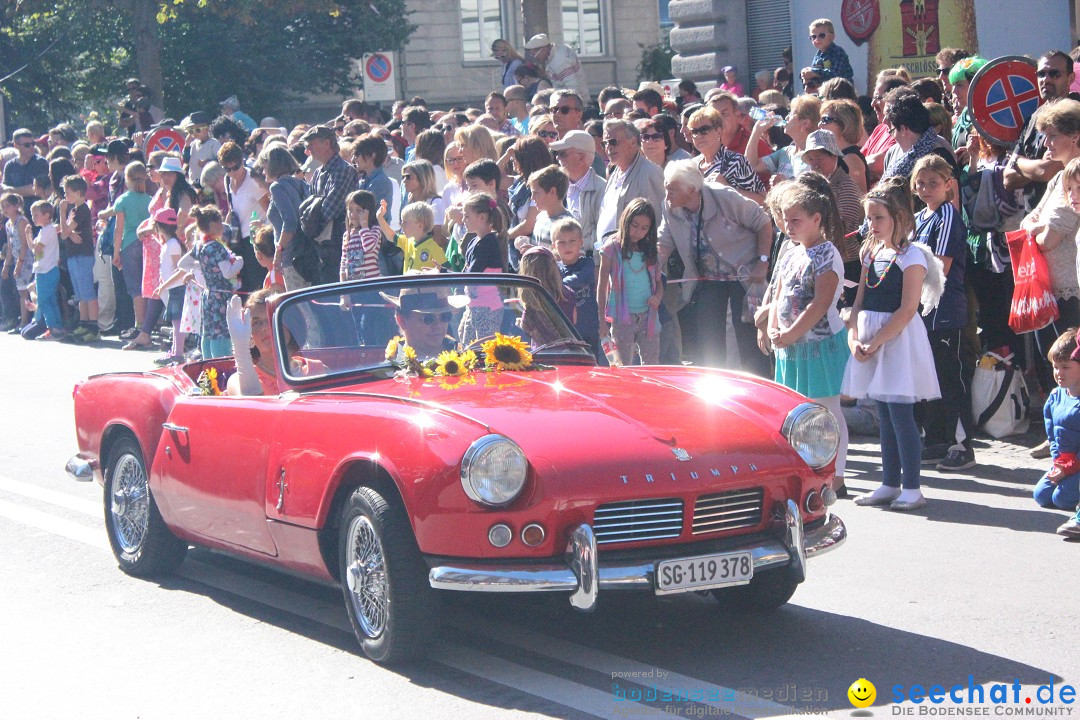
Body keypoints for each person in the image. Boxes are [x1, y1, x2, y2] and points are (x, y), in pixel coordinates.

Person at [843, 180, 942, 511]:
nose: (872, 225)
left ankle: (912, 486)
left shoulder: (912, 256)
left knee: (901, 414)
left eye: (879, 218)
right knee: (884, 413)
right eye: (869, 218)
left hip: (896, 341)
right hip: (870, 338)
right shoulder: (870, 253)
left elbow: (907, 308)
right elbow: (857, 301)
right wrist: (854, 337)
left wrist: (877, 341)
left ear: (899, 217)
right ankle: (889, 482)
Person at [764, 179, 850, 495]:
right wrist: (774, 327)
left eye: (796, 220)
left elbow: (820, 303)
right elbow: (780, 291)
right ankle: (802, 470)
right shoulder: (790, 250)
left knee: (827, 411)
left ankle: (836, 475)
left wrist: (790, 333)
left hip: (819, 347)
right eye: (786, 219)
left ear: (817, 219)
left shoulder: (827, 255)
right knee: (795, 413)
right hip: (791, 347)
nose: (789, 226)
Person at [658, 160, 772, 373]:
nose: (667, 196)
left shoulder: (724, 197)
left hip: (743, 278)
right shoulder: (670, 206)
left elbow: (763, 222)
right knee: (710, 344)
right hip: (707, 281)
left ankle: (757, 390)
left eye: (672, 190)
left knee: (748, 342)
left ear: (691, 190)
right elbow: (664, 241)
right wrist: (653, 268)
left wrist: (762, 262)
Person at [910, 155, 976, 471]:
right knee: (929, 378)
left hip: (945, 310)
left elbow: (940, 267)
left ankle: (962, 445)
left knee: (950, 379)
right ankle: (937, 439)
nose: (925, 189)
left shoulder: (947, 214)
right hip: (922, 312)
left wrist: (909, 280)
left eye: (933, 183)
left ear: (947, 185)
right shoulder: (920, 217)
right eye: (920, 183)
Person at [1021, 101, 1080, 390]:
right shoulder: (1059, 177)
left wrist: (1037, 229)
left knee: (1073, 367)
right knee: (1057, 367)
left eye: (1053, 135)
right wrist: (1037, 227)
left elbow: (1049, 239)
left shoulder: (1077, 178)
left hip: (1073, 293)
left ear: (1075, 137)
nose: (1046, 143)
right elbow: (1029, 219)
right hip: (1049, 291)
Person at [1005, 51, 1080, 214]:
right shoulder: (1034, 117)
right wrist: (1037, 166)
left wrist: (1017, 161)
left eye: (1054, 74)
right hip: (1033, 215)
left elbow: (1046, 172)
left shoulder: (1076, 112)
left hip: (1066, 215)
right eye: (1041, 74)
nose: (1046, 79)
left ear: (1071, 78)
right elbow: (1008, 179)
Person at [598, 198, 663, 365]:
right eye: (634, 225)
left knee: (651, 365)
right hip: (622, 318)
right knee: (622, 365)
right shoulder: (611, 248)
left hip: (648, 316)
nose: (638, 232)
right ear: (625, 220)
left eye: (644, 228)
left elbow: (659, 282)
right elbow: (602, 285)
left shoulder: (651, 251)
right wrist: (601, 321)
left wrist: (657, 297)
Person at [595, 120, 665, 253]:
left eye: (613, 141)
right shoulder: (615, 173)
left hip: (635, 262)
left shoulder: (649, 172)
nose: (609, 147)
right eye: (605, 143)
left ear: (633, 141)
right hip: (610, 259)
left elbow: (658, 222)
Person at [100, 161, 152, 338]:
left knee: (135, 288)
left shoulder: (123, 200)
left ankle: (139, 326)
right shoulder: (150, 200)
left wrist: (116, 254)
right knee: (146, 286)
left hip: (129, 244)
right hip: (146, 244)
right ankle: (147, 325)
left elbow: (118, 229)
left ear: (127, 179)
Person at [1033, 328, 1080, 513]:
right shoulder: (1055, 396)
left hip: (1077, 463)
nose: (1059, 373)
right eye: (1055, 366)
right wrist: (1058, 462)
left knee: (1061, 499)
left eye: (1066, 367)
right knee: (1041, 495)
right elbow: (1052, 434)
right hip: (1065, 462)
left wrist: (1070, 467)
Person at [304, 125, 358, 285]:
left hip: (338, 245)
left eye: (311, 144)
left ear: (327, 143)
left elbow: (329, 210)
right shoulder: (318, 173)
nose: (308, 149)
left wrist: (311, 220)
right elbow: (307, 210)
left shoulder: (343, 170)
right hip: (321, 246)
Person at [189, 205, 241, 359]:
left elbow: (183, 264)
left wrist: (205, 267)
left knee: (209, 331)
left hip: (208, 294)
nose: (223, 227)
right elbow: (227, 273)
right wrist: (239, 262)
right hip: (220, 296)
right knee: (221, 333)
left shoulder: (200, 246)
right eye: (220, 222)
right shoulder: (218, 248)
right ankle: (221, 366)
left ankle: (207, 365)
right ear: (212, 226)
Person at [687, 106, 766, 204]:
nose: (698, 136)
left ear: (718, 131)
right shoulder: (692, 165)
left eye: (704, 130)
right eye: (694, 131)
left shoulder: (736, 162)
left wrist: (728, 187)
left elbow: (761, 200)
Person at [218, 141, 266, 291]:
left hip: (255, 238)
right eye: (228, 169)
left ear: (242, 161)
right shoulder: (227, 180)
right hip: (237, 240)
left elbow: (269, 207)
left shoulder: (253, 180)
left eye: (236, 167)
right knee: (241, 284)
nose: (232, 172)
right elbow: (232, 209)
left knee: (256, 282)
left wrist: (263, 228)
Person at [458, 193, 505, 345]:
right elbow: (466, 270)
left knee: (482, 350)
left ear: (482, 217)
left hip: (487, 308)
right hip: (474, 305)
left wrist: (444, 273)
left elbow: (472, 275)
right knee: (465, 342)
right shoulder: (473, 241)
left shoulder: (488, 244)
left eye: (467, 216)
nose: (464, 220)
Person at [57, 174, 99, 342]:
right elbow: (65, 233)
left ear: (78, 192)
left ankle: (93, 326)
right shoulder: (74, 210)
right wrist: (69, 232)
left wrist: (61, 212)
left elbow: (65, 231)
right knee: (80, 293)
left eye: (68, 192)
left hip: (83, 255)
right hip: (74, 255)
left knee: (87, 292)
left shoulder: (81, 210)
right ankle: (84, 322)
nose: (65, 195)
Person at [261, 144, 308, 291]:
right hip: (306, 252)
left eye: (264, 166)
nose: (263, 171)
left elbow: (290, 222)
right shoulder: (301, 184)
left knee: (303, 307)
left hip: (292, 256)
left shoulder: (278, 187)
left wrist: (278, 252)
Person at [552, 217, 600, 360]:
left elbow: (583, 278)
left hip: (588, 330)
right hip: (565, 332)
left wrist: (558, 285)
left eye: (572, 241)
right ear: (554, 246)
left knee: (591, 365)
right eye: (562, 242)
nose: (567, 246)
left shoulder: (587, 264)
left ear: (581, 242)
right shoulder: (554, 269)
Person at [550, 130, 606, 253]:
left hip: (587, 264)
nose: (557, 157)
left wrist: (571, 249)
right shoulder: (557, 186)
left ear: (580, 158)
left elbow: (602, 234)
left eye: (563, 154)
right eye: (557, 153)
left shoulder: (603, 190)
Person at [149, 207, 186, 365]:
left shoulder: (172, 245)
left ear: (159, 226)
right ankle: (175, 350)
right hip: (172, 288)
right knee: (175, 321)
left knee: (177, 321)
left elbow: (180, 269)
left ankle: (178, 354)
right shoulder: (170, 243)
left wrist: (165, 285)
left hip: (176, 288)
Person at [517, 246, 573, 344]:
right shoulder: (568, 294)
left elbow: (527, 327)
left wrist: (519, 323)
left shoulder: (531, 302)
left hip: (544, 354)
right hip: (567, 352)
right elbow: (574, 321)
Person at [27, 200, 64, 340]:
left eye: (36, 215)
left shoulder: (46, 231)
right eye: (32, 214)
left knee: (43, 301)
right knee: (51, 300)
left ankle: (53, 328)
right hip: (49, 269)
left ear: (47, 215)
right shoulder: (48, 230)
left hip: (46, 271)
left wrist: (28, 237)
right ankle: (57, 328)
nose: (33, 217)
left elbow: (36, 251)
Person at [377, 200, 444, 273]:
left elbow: (447, 270)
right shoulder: (407, 241)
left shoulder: (434, 249)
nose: (401, 225)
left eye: (405, 222)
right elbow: (391, 236)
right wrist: (380, 218)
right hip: (408, 284)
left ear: (420, 226)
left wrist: (439, 270)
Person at [819, 99, 869, 193]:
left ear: (844, 124)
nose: (819, 124)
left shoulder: (851, 159)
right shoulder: (838, 155)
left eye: (825, 120)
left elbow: (860, 200)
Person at [1, 193, 33, 331]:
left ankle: (25, 322)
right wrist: (6, 265)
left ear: (16, 206)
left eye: (8, 206)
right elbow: (9, 246)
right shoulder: (8, 224)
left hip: (27, 260)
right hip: (16, 259)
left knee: (26, 290)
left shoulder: (22, 221)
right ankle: (23, 321)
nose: (5, 209)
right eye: (3, 207)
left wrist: (19, 264)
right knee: (21, 291)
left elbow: (25, 245)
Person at [524, 33, 588, 99]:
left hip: (574, 102)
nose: (535, 58)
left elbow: (573, 87)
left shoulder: (561, 61)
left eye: (534, 55)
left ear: (543, 50)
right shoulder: (554, 55)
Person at [523, 165, 571, 252]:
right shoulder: (540, 217)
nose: (532, 198)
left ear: (552, 192)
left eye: (536, 193)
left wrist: (536, 251)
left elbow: (570, 258)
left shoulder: (567, 223)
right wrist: (526, 242)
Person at [341, 190, 381, 282]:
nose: (352, 214)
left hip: (371, 286)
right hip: (352, 287)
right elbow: (343, 264)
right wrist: (343, 290)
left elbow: (369, 247)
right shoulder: (347, 235)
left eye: (358, 210)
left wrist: (364, 225)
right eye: (350, 209)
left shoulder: (374, 230)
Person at [808, 18, 853, 83]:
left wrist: (814, 72)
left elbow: (836, 76)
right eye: (813, 37)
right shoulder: (817, 56)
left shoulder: (838, 52)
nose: (817, 39)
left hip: (841, 90)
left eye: (821, 35)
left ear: (832, 37)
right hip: (825, 90)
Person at [183, 111, 220, 188]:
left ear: (207, 129)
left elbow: (220, 161)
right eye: (191, 131)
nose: (194, 133)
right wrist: (187, 145)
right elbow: (186, 160)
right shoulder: (193, 144)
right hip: (193, 182)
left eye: (197, 130)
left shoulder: (214, 143)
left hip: (208, 183)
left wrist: (208, 162)